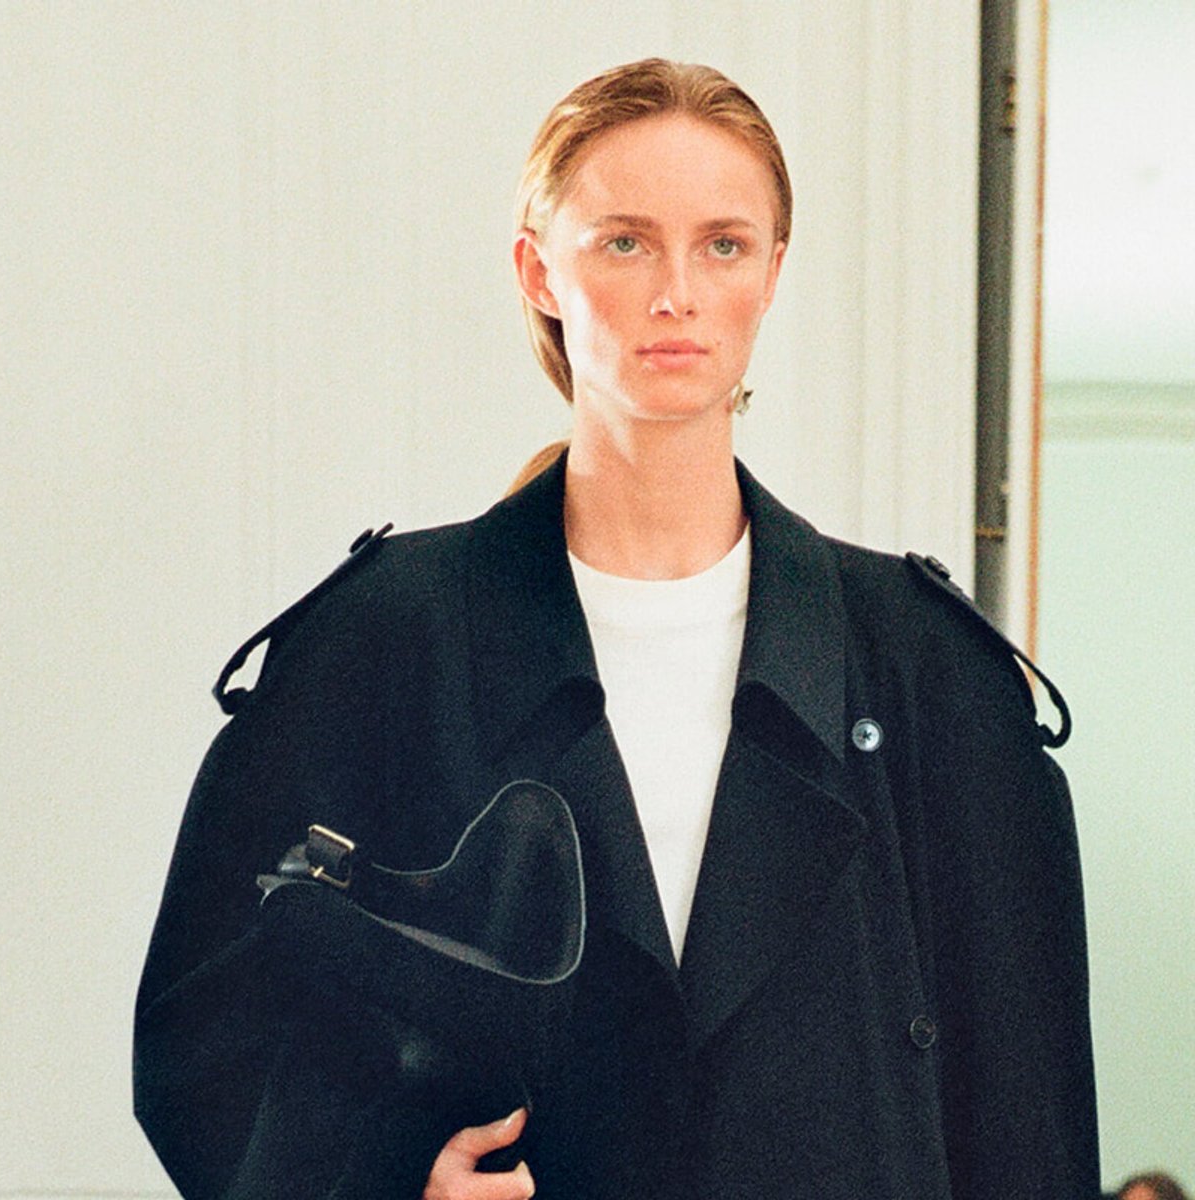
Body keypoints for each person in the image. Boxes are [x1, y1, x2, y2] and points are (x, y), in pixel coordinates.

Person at [134, 58, 1100, 1199]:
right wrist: (389, 1176)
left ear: (774, 271)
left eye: (724, 244)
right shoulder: (382, 641)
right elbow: (203, 1041)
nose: (676, 293)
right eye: (625, 242)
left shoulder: (926, 668)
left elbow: (1029, 1107)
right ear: (538, 269)